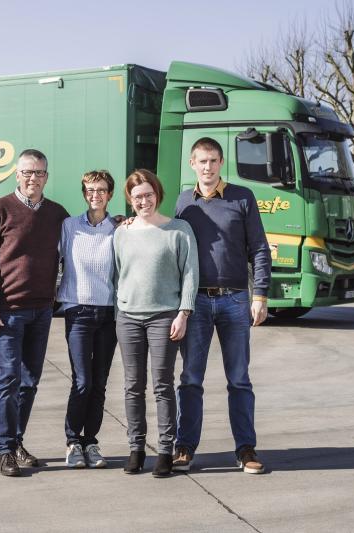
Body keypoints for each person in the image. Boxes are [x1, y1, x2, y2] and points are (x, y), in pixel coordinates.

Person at [173, 137, 271, 475]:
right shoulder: (184, 202)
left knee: (239, 379)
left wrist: (259, 295)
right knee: (190, 379)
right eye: (202, 161)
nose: (208, 167)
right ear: (192, 164)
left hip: (235, 300)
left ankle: (245, 449)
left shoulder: (242, 197)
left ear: (221, 162)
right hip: (196, 301)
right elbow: (169, 242)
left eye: (213, 160)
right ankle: (185, 447)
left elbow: (259, 248)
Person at [0, 148, 69, 477]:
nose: (33, 178)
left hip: (41, 311)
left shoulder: (56, 214)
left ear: (46, 176)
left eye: (39, 173)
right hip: (7, 312)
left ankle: (16, 443)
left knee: (29, 382)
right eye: (27, 172)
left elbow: (81, 242)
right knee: (8, 379)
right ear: (17, 175)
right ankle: (4, 452)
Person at [114, 169, 198, 477]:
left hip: (165, 317)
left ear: (157, 194)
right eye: (137, 197)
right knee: (132, 386)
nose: (143, 201)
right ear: (130, 199)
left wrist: (183, 312)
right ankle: (136, 448)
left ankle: (165, 450)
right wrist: (117, 312)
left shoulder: (178, 229)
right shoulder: (121, 232)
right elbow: (118, 274)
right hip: (128, 318)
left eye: (148, 195)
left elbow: (190, 272)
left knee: (162, 385)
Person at [57, 170, 118, 469]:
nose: (96, 195)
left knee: (100, 383)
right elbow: (49, 260)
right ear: (84, 193)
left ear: (110, 194)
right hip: (78, 312)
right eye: (91, 190)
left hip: (108, 313)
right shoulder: (69, 227)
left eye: (102, 190)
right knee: (82, 381)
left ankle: (90, 441)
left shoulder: (118, 228)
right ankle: (72, 441)